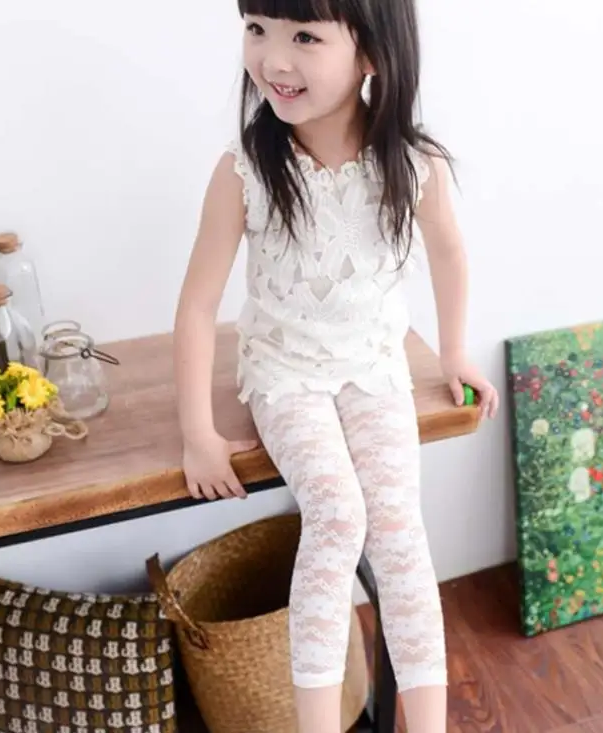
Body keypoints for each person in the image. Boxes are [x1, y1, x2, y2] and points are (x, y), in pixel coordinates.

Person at [173, 0, 499, 730]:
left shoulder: (413, 164)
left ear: (372, 54)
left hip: (373, 366)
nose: (273, 59)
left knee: (399, 528)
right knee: (337, 513)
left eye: (304, 36)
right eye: (256, 29)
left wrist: (453, 349)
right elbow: (196, 305)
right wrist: (199, 433)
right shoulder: (245, 170)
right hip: (284, 374)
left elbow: (449, 253)